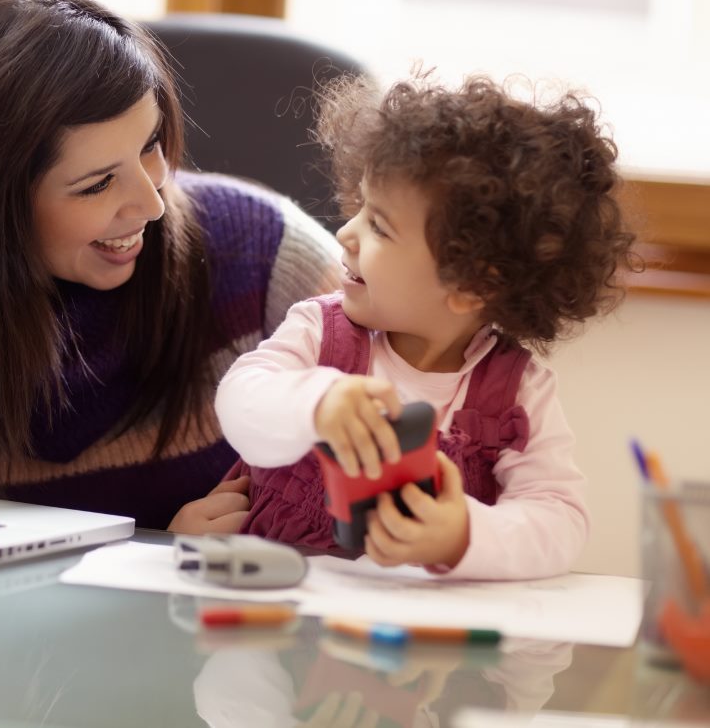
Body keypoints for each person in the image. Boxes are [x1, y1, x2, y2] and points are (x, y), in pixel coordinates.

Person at [0, 0, 341, 531]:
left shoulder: (266, 254)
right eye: (97, 184)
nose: (152, 204)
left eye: (151, 145)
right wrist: (154, 556)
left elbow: (430, 444)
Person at [215, 73, 640, 578]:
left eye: (379, 225)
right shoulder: (319, 331)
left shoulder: (517, 395)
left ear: (471, 286)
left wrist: (462, 534)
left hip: (422, 642)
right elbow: (239, 401)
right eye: (360, 209)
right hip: (282, 619)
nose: (346, 233)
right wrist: (316, 403)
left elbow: (559, 519)